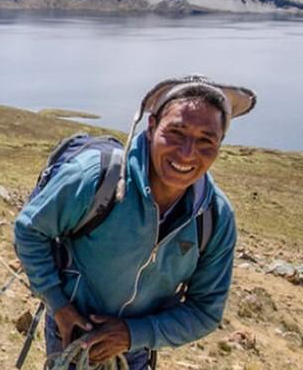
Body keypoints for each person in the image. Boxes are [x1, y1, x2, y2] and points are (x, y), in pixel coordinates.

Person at [14, 75, 256, 369]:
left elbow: (205, 311)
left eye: (206, 140)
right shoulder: (95, 179)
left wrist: (133, 334)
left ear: (220, 144)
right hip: (72, 331)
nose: (187, 153)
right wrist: (58, 304)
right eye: (176, 132)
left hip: (139, 347)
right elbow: (30, 229)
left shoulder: (215, 217)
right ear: (152, 126)